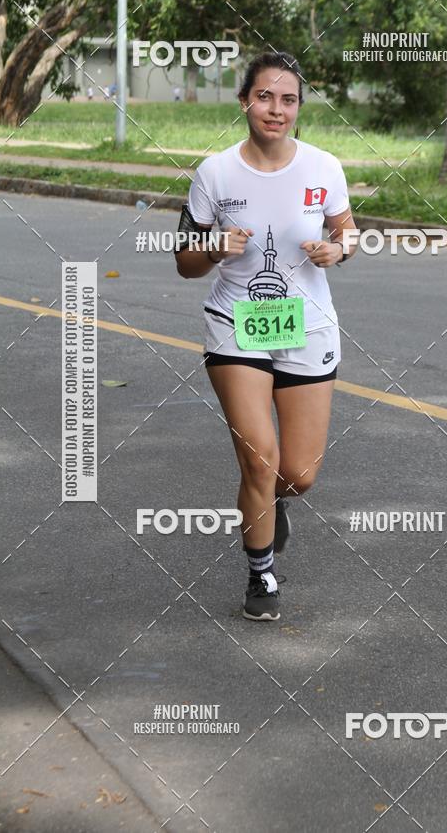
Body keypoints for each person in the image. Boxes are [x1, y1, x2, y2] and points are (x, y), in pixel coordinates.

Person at [174, 51, 358, 621]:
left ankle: (273, 503)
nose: (276, 109)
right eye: (264, 97)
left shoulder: (324, 167)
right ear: (244, 102)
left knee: (296, 475)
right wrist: (213, 248)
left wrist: (338, 250)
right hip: (236, 324)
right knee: (259, 461)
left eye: (288, 100)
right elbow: (184, 262)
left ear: (298, 107)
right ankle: (261, 575)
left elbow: (348, 232)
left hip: (308, 325)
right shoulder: (215, 173)